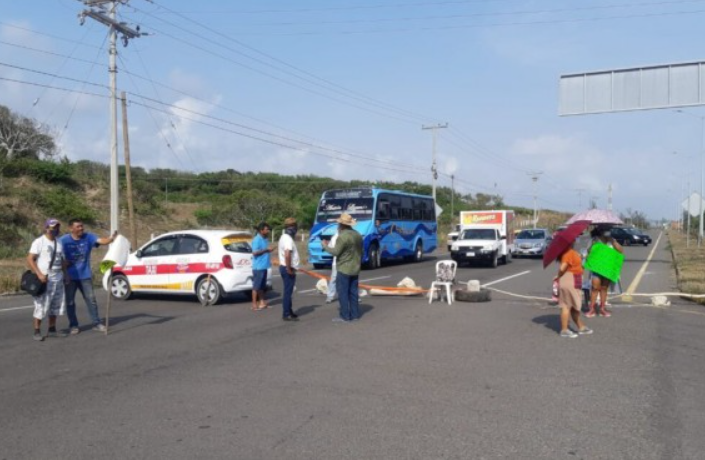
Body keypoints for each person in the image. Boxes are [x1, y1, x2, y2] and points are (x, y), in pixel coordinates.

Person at [60, 218, 117, 334]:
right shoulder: (63, 240)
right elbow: (56, 255)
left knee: (91, 300)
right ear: (71, 228)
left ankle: (96, 323)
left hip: (85, 275)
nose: (81, 228)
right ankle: (73, 325)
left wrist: (111, 239)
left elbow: (102, 241)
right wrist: (63, 265)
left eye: (82, 226)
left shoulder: (88, 237)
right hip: (69, 277)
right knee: (70, 302)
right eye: (78, 227)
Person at [27, 219, 68, 342]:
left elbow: (62, 260)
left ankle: (52, 329)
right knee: (41, 306)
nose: (55, 229)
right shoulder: (39, 242)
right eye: (52, 227)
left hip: (58, 277)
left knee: (56, 305)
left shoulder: (59, 242)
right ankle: (37, 331)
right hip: (45, 279)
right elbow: (30, 259)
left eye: (57, 227)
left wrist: (66, 274)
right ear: (46, 228)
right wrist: (39, 274)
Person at [322, 213, 363, 323]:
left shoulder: (342, 237)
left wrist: (325, 246)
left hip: (344, 268)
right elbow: (361, 251)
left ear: (341, 225)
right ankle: (355, 315)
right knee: (353, 292)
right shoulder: (358, 235)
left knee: (343, 292)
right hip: (355, 267)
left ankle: (345, 315)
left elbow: (335, 252)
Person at [554, 241, 592, 338]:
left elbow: (576, 263)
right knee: (567, 305)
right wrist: (558, 276)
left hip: (574, 279)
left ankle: (581, 327)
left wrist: (582, 257)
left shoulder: (570, 252)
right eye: (573, 240)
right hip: (570, 280)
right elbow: (562, 268)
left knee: (574, 305)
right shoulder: (568, 253)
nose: (575, 241)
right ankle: (564, 329)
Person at [586, 226, 623, 318]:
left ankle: (602, 308)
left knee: (604, 288)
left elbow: (620, 250)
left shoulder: (611, 241)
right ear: (600, 231)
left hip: (608, 269)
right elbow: (588, 252)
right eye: (605, 231)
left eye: (608, 231)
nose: (607, 232)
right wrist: (592, 245)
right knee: (595, 288)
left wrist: (612, 241)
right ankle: (592, 309)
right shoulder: (594, 240)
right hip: (596, 268)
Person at [278, 217, 300, 322]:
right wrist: (289, 268)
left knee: (289, 291)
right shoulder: (287, 238)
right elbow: (287, 254)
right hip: (287, 268)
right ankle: (286, 314)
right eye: (293, 226)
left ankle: (289, 311)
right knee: (288, 292)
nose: (295, 228)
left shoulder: (284, 237)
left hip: (286, 267)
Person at [251, 222, 274, 311]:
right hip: (258, 267)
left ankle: (262, 302)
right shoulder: (257, 240)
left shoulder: (265, 239)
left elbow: (264, 250)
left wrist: (269, 250)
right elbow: (255, 252)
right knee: (256, 286)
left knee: (262, 286)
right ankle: (254, 304)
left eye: (268, 229)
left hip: (264, 266)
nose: (268, 230)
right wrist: (266, 250)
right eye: (266, 229)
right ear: (261, 230)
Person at [325, 231, 339, 304]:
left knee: (348, 279)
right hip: (338, 262)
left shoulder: (351, 234)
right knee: (334, 279)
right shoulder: (335, 236)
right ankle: (330, 296)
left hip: (345, 262)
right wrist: (326, 245)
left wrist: (325, 245)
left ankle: (354, 296)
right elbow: (331, 248)